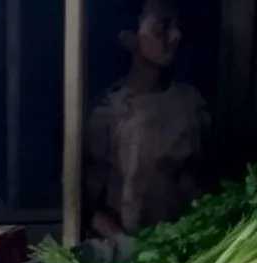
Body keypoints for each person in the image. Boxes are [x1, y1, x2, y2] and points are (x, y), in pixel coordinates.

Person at [86, 0, 208, 240]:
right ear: (128, 39)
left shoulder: (191, 103)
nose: (176, 35)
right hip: (131, 250)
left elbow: (201, 183)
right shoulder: (109, 113)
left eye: (177, 26)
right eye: (162, 27)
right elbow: (88, 203)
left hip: (187, 243)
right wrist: (126, 245)